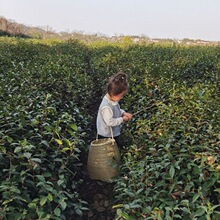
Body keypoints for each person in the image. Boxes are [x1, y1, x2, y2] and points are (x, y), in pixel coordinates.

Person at [96, 71, 132, 148]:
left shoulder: (112, 100)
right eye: (121, 95)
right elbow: (110, 122)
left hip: (113, 133)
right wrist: (122, 119)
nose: (121, 97)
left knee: (115, 149)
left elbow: (116, 109)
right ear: (113, 93)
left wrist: (123, 113)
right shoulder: (106, 107)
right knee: (109, 153)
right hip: (106, 136)